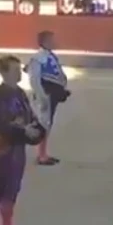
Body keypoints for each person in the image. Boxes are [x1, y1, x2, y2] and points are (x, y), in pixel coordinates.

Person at [0, 56, 43, 225]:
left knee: (13, 186)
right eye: (14, 70)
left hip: (18, 147)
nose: (19, 73)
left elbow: (29, 115)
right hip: (3, 146)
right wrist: (23, 129)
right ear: (4, 72)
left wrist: (36, 128)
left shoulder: (20, 93)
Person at [27, 30, 68, 167]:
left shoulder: (49, 56)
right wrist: (42, 96)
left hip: (52, 93)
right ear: (44, 42)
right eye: (52, 39)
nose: (55, 42)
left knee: (48, 123)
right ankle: (41, 155)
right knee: (44, 123)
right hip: (46, 93)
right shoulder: (38, 58)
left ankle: (43, 153)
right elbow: (34, 80)